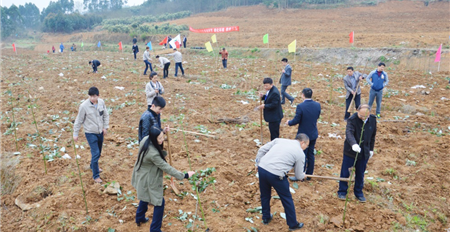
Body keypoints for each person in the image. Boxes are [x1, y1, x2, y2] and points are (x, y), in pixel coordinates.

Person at [132, 126, 195, 230]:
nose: (162, 140)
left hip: (141, 174)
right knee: (159, 203)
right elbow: (167, 168)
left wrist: (163, 132)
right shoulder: (153, 154)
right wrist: (185, 175)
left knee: (144, 196)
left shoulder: (145, 139)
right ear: (154, 138)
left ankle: (139, 218)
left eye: (162, 137)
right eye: (159, 138)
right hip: (148, 179)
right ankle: (155, 229)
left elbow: (156, 135)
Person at [255, 133, 309, 231]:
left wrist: (257, 163)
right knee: (286, 199)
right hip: (276, 174)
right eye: (306, 145)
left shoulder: (279, 140)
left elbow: (262, 149)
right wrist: (303, 176)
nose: (306, 147)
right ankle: (293, 224)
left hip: (262, 168)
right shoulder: (300, 153)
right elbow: (298, 175)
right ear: (302, 142)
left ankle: (266, 217)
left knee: (265, 195)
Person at [337, 104, 377, 202]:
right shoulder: (352, 119)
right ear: (358, 111)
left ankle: (358, 192)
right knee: (345, 172)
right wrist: (354, 144)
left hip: (364, 152)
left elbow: (373, 136)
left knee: (360, 173)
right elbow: (349, 133)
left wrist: (371, 149)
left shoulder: (372, 119)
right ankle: (342, 191)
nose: (363, 118)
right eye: (361, 115)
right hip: (350, 152)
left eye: (365, 116)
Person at [73, 87, 110, 183]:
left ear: (98, 96)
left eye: (94, 96)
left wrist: (105, 127)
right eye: (90, 96)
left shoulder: (101, 102)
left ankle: (92, 165)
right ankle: (96, 175)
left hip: (100, 132)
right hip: (90, 133)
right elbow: (79, 120)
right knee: (95, 153)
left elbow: (105, 115)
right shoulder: (84, 106)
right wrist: (75, 133)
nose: (92, 98)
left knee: (99, 152)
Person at [286, 88, 321, 181]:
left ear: (302, 95)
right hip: (313, 133)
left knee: (301, 155)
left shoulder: (301, 106)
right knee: (310, 154)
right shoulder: (317, 105)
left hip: (303, 136)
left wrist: (289, 122)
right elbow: (317, 116)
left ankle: (300, 175)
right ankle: (309, 175)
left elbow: (297, 120)